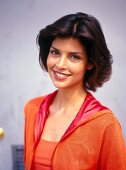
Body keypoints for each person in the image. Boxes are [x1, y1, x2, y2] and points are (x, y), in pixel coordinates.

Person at [24, 12, 126, 170]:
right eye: (55, 52)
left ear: (90, 63)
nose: (60, 64)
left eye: (74, 57)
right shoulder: (32, 109)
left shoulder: (105, 125)